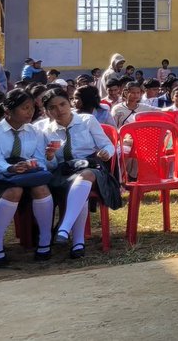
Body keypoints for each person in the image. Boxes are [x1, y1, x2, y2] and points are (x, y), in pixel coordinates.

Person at [36, 86, 120, 258]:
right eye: (52, 107)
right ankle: (78, 242)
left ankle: (65, 227)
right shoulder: (44, 129)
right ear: (46, 111)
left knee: (86, 176)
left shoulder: (87, 120)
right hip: (63, 171)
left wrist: (106, 153)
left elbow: (107, 145)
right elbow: (49, 166)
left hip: (91, 166)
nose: (59, 110)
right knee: (79, 189)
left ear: (70, 104)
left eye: (62, 104)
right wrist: (50, 156)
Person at [0, 88, 55, 267]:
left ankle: (45, 239)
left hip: (27, 173)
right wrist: (11, 167)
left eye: (31, 108)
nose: (30, 112)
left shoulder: (34, 131)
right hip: (2, 175)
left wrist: (35, 163)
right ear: (8, 110)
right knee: (14, 190)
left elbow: (39, 159)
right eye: (25, 108)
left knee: (41, 187)